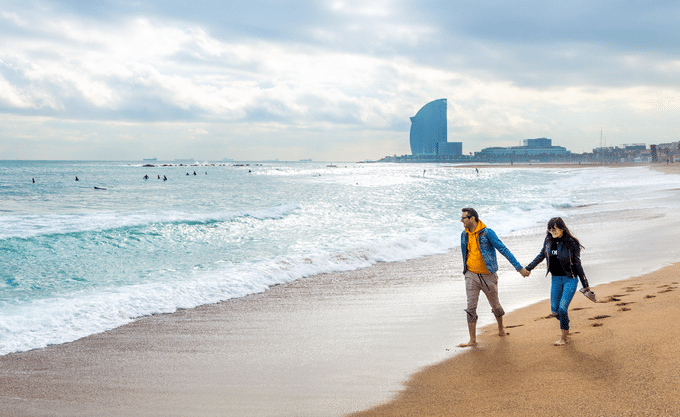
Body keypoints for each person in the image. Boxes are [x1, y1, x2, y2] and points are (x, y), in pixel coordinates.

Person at [459, 208, 530, 348]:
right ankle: (472, 340)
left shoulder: (488, 233)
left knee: (495, 306)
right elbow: (465, 253)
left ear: (472, 218)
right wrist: (466, 271)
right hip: (471, 275)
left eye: (464, 218)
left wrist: (519, 268)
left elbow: (503, 249)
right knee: (470, 307)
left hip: (488, 275)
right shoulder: (464, 234)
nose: (461, 220)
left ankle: (501, 328)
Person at [525, 217, 590, 346]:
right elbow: (541, 255)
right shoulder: (548, 240)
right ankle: (565, 323)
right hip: (555, 279)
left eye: (554, 229)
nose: (552, 232)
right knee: (555, 311)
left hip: (569, 279)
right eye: (550, 229)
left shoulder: (571, 242)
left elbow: (577, 264)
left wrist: (585, 285)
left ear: (562, 228)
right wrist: (528, 268)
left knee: (562, 308)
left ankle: (564, 338)